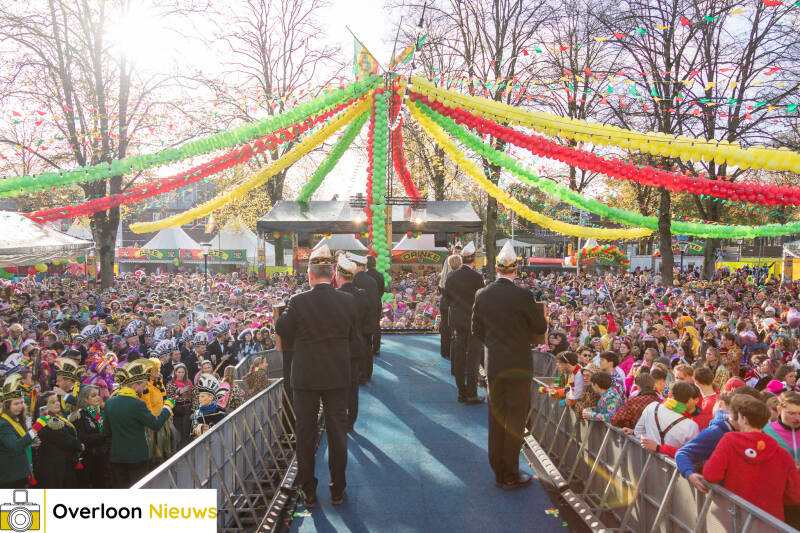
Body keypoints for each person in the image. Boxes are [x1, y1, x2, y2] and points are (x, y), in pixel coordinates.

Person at [275, 244, 358, 508]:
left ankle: (309, 491)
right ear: (332, 273)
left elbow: (282, 329)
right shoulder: (348, 301)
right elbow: (354, 338)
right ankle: (337, 489)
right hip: (336, 376)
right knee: (337, 433)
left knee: (306, 434)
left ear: (310, 275)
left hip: (306, 378)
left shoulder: (298, 302)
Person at [471, 240, 546, 490]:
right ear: (516, 269)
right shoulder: (524, 295)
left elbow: (476, 329)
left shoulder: (482, 294)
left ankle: (498, 471)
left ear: (496, 268)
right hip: (519, 363)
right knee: (516, 418)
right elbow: (540, 327)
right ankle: (511, 473)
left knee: (496, 416)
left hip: (494, 363)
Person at [703, 395, 800, 521]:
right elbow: (794, 495)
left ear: (744, 419)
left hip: (736, 517)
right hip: (771, 521)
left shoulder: (729, 441)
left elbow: (711, 475)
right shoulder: (783, 455)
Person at [675, 386, 762, 492]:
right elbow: (683, 453)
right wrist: (690, 474)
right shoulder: (715, 432)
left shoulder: (752, 431)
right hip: (722, 498)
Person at [103, 360, 175, 488]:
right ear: (135, 385)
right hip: (137, 457)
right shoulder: (138, 404)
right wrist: (167, 407)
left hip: (117, 456)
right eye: (143, 385)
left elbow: (106, 432)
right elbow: (155, 424)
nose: (144, 388)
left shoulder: (110, 402)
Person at [445, 241, 485, 404]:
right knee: (473, 358)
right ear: (473, 260)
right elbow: (481, 299)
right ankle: (471, 393)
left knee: (460, 356)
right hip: (473, 322)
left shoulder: (451, 276)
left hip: (457, 321)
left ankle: (461, 391)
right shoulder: (476, 277)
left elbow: (446, 298)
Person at [336, 254, 370, 432]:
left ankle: (340, 418)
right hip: (356, 346)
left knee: (337, 386)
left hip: (337, 348)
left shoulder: (335, 296)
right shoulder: (362, 295)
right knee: (353, 386)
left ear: (338, 275)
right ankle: (351, 421)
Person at [0, 373, 48, 488]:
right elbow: (15, 446)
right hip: (10, 476)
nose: (20, 406)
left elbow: (22, 440)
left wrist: (32, 442)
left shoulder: (16, 420)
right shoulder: (3, 424)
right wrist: (35, 429)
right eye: (15, 404)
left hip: (20, 473)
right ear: (7, 406)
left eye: (21, 402)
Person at [33, 391, 83, 488]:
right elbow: (64, 438)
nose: (57, 403)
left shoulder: (57, 417)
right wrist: (79, 445)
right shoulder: (45, 421)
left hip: (63, 464)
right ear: (44, 406)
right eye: (52, 402)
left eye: (57, 400)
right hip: (54, 467)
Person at [634, 381, 700, 450]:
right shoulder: (691, 426)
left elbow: (638, 432)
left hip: (648, 458)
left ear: (669, 395)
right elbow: (692, 453)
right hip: (673, 459)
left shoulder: (652, 406)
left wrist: (651, 443)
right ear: (689, 400)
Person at [70, 384, 110, 488]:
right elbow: (82, 438)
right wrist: (103, 436)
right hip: (88, 457)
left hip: (102, 456)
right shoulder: (79, 416)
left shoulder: (101, 413)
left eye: (98, 395)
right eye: (93, 395)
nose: (98, 397)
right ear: (85, 399)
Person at [352, 254, 378, 382]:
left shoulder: (354, 280)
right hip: (370, 318)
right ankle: (368, 373)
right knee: (368, 346)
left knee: (359, 348)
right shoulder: (372, 280)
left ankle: (361, 375)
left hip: (358, 320)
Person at [439, 243, 462, 361]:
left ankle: (445, 351)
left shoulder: (444, 277)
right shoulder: (456, 277)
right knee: (452, 328)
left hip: (444, 302)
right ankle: (450, 352)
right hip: (452, 304)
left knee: (445, 327)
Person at [165, 362, 193, 448]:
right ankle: (178, 450)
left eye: (182, 372)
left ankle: (186, 449)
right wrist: (179, 392)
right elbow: (170, 398)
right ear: (175, 372)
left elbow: (194, 396)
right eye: (179, 372)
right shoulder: (170, 384)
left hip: (188, 408)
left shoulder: (188, 382)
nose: (181, 374)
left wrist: (194, 410)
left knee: (186, 430)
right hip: (177, 408)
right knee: (178, 431)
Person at [191, 373, 227, 438]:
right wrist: (200, 428)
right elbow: (192, 434)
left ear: (211, 398)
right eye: (199, 396)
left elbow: (226, 431)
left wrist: (210, 429)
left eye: (202, 396)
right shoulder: (197, 413)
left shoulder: (220, 412)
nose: (200, 399)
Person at [365, 255, 386, 356]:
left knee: (365, 324)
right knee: (376, 325)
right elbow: (382, 290)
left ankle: (367, 346)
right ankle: (376, 348)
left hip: (365, 302)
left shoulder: (364, 275)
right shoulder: (380, 275)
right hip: (377, 301)